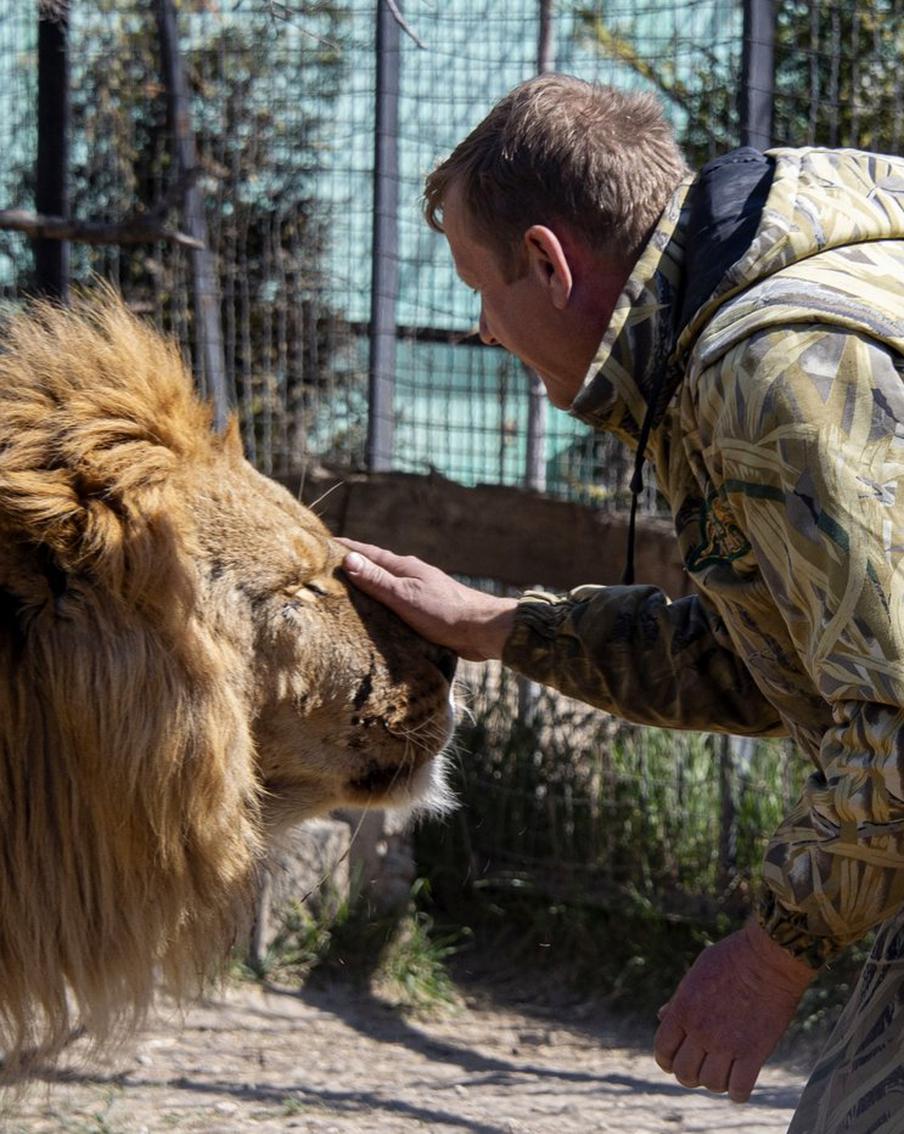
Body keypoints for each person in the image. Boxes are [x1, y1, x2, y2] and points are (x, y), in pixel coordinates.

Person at [340, 73, 904, 1132]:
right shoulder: (787, 293)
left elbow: (899, 721)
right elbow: (766, 655)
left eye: (478, 286)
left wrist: (770, 956)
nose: (481, 332)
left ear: (548, 264)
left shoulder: (772, 369)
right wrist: (507, 627)